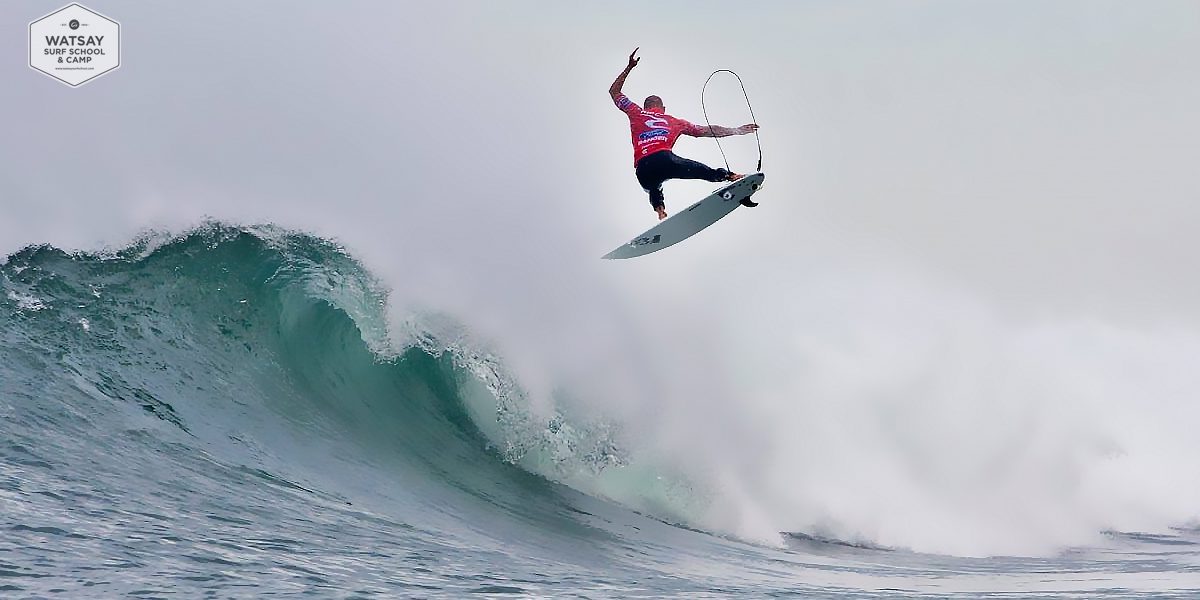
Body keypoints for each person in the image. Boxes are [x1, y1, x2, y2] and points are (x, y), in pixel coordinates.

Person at [610, 48, 760, 220]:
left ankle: (659, 209)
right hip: (665, 160)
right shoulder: (674, 121)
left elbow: (614, 92)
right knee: (701, 171)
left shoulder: (636, 113)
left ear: (645, 107)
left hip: (643, 170)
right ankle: (730, 175)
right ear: (663, 109)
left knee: (653, 187)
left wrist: (629, 67)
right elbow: (707, 131)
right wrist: (737, 130)